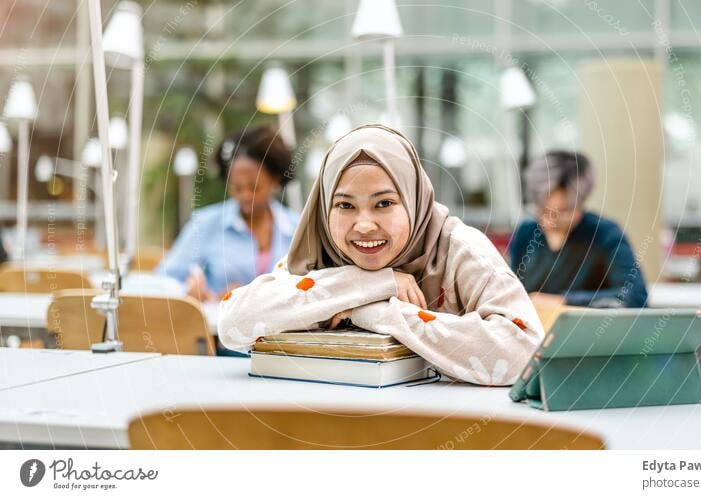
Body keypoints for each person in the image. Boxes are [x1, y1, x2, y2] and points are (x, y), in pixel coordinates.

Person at [218, 124, 543, 386]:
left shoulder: (459, 250)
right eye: (344, 205)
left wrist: (372, 312)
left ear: (413, 200)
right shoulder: (318, 251)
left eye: (384, 203)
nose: (364, 224)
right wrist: (369, 281)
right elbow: (233, 324)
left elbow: (525, 353)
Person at [157, 125, 299, 302]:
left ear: (275, 180)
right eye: (237, 187)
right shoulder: (206, 224)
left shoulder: (297, 229)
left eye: (254, 187)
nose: (245, 195)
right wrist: (188, 291)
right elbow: (163, 278)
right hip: (217, 328)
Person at [509, 151, 648, 308]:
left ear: (581, 202)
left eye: (563, 212)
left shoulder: (604, 234)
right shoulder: (526, 234)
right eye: (542, 210)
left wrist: (564, 302)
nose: (550, 219)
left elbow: (635, 296)